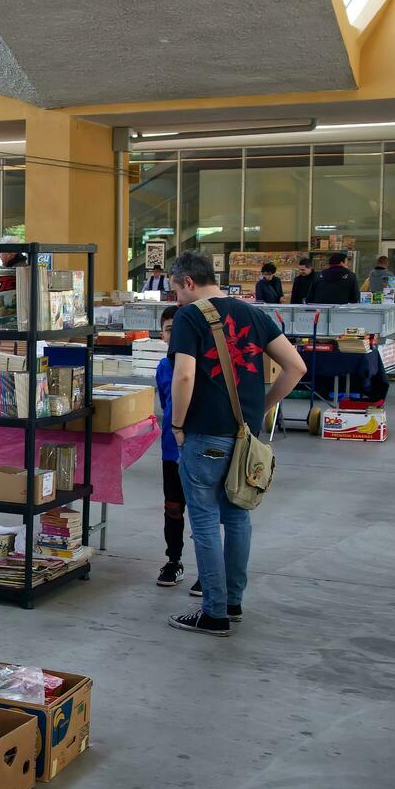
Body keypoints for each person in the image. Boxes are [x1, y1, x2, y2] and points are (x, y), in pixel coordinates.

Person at [165, 251, 304, 637]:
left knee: (206, 522)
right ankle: (232, 602)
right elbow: (296, 367)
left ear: (188, 282)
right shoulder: (254, 314)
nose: (176, 299)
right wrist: (262, 406)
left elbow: (184, 378)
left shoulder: (190, 317)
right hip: (244, 437)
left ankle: (213, 612)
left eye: (175, 290)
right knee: (238, 516)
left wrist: (178, 424)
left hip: (205, 434)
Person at [154, 306, 187, 588]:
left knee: (204, 513)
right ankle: (173, 560)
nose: (174, 335)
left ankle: (209, 572)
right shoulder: (163, 367)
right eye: (168, 330)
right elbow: (167, 406)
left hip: (197, 449)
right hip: (170, 450)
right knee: (172, 509)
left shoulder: (200, 365)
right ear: (162, 335)